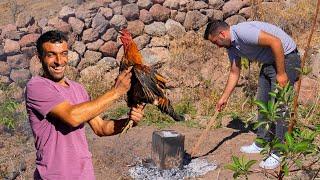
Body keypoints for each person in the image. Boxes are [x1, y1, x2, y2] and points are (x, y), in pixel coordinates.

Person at [25, 30, 145, 179]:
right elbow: (72, 117)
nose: (59, 61)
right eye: (51, 54)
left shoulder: (78, 89)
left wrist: (129, 122)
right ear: (39, 57)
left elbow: (101, 128)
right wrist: (116, 92)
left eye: (63, 54)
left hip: (84, 175)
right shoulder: (37, 86)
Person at [204, 20, 301, 169]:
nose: (217, 46)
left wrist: (281, 74)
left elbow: (275, 42)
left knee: (280, 106)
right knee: (262, 101)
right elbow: (234, 72)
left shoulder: (243, 32)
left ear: (222, 34)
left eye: (216, 42)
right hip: (269, 62)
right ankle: (262, 141)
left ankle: (279, 152)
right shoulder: (232, 47)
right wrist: (224, 98)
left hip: (287, 58)